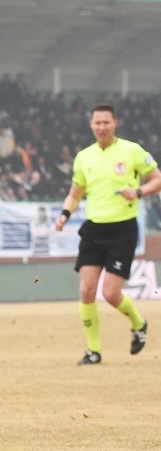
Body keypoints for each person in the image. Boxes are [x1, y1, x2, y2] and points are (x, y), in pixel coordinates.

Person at [54, 103, 160, 364]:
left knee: (111, 294)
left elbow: (157, 179)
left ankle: (138, 323)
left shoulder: (132, 151)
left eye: (106, 122)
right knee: (87, 290)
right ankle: (93, 351)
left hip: (122, 229)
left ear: (115, 123)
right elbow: (75, 194)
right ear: (91, 125)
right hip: (93, 229)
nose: (101, 127)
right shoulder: (83, 157)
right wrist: (64, 215)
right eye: (97, 123)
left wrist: (137, 192)